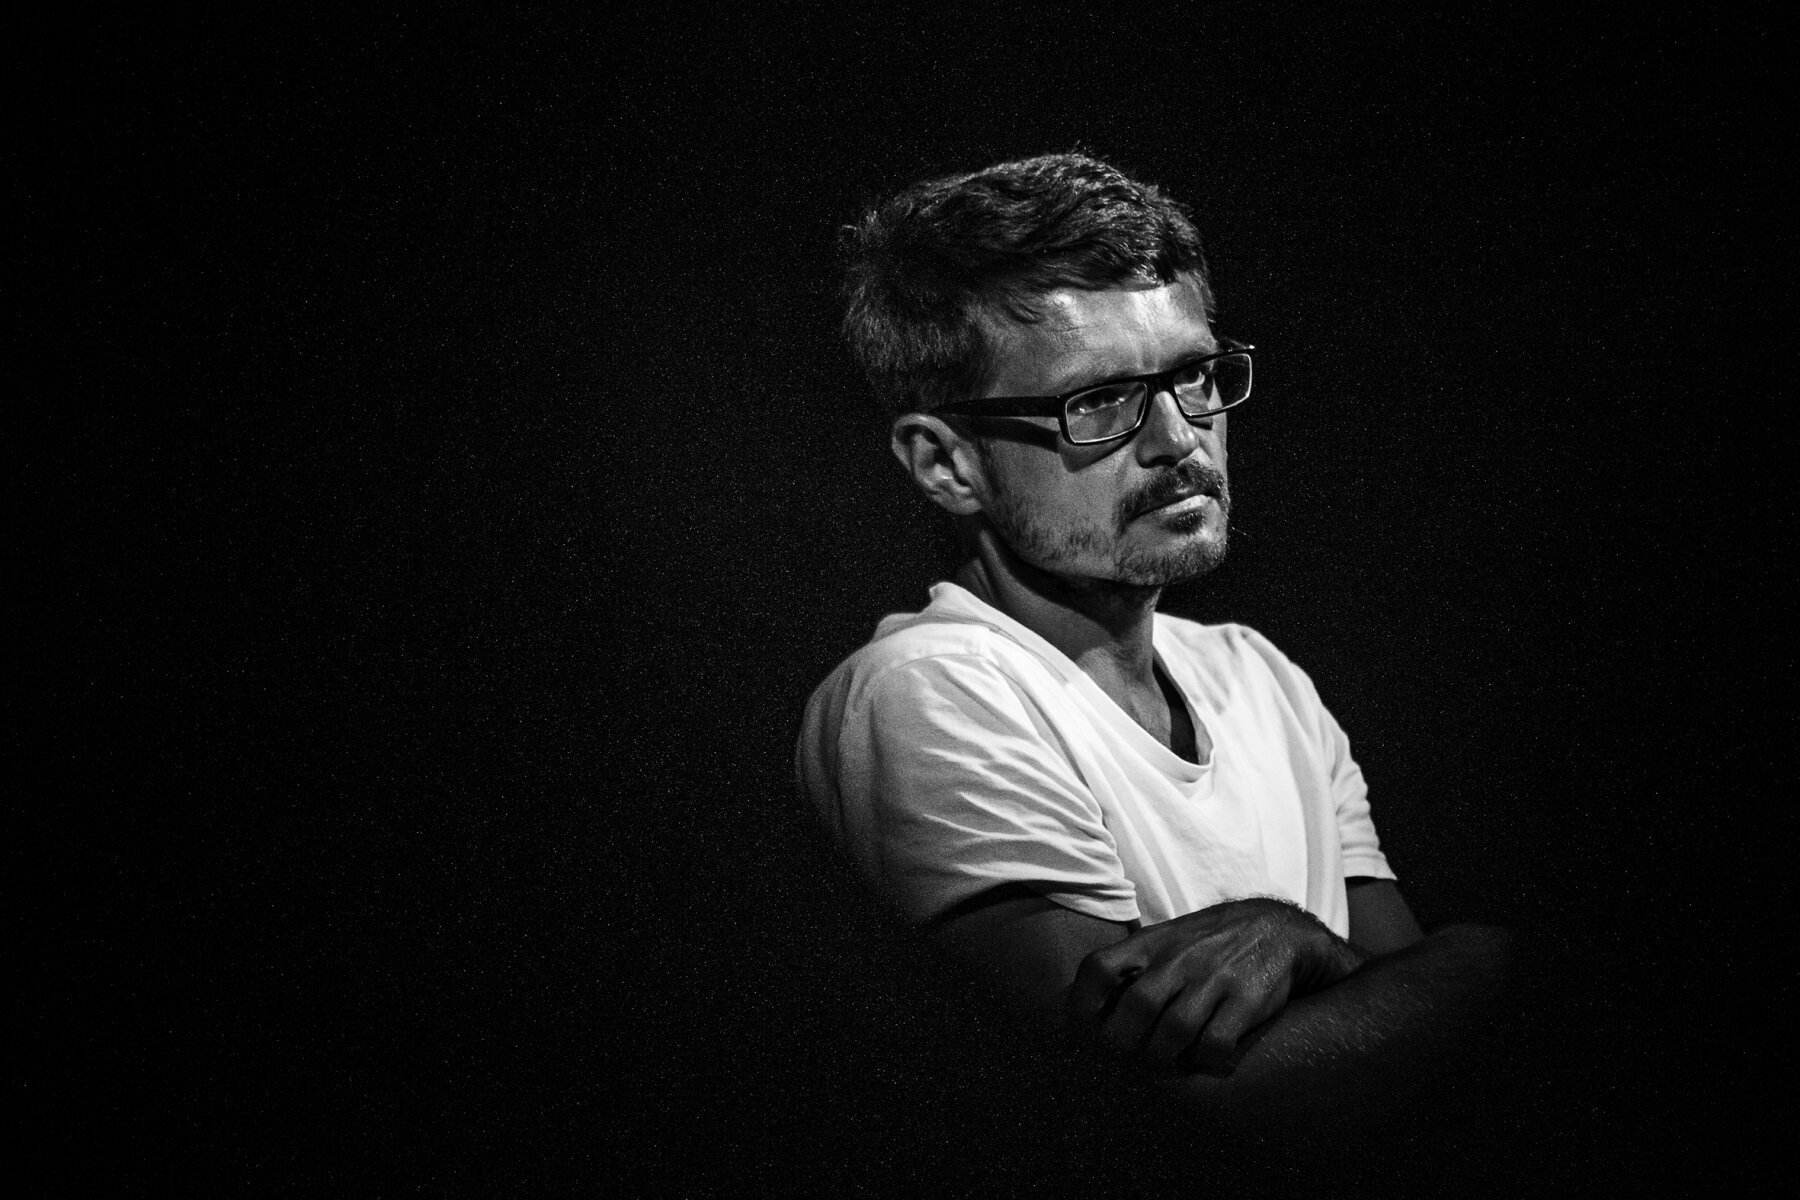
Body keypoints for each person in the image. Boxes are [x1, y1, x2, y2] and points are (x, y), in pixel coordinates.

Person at [796, 152, 1508, 1114]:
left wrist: (1307, 946)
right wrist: (1482, 962)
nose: (1178, 437)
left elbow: (1428, 1050)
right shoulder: (928, 687)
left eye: (1194, 375)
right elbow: (1153, 1111)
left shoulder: (1258, 677)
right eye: (1097, 399)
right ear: (946, 464)